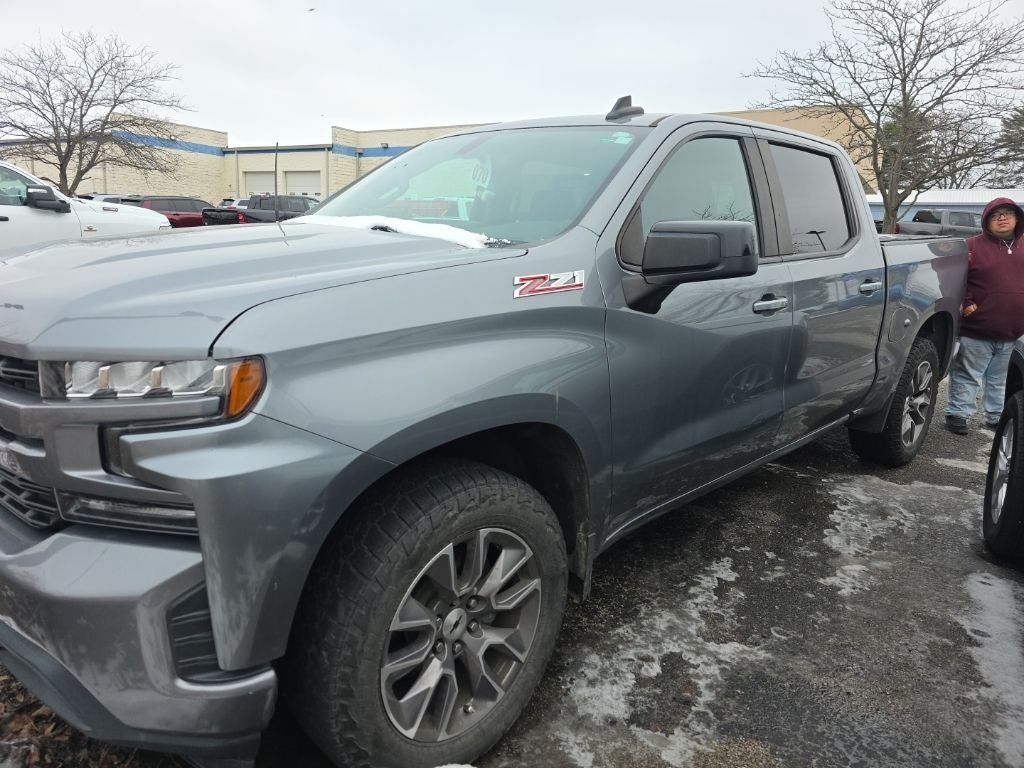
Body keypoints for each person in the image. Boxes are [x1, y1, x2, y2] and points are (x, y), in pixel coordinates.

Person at [945, 197, 1024, 435]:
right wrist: (967, 302)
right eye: (995, 215)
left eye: (1007, 213)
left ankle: (995, 417)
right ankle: (958, 415)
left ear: (1017, 218)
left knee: (1000, 379)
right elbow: (953, 279)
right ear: (986, 220)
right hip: (977, 329)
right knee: (967, 375)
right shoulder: (971, 246)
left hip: (1012, 332)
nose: (1002, 218)